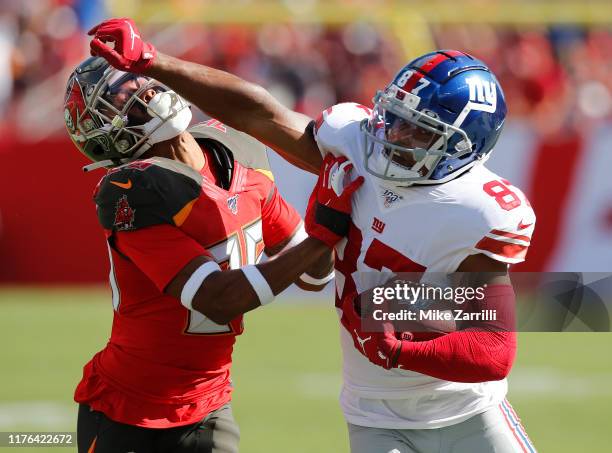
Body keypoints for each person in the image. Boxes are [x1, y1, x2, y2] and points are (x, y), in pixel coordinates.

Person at [87, 18, 538, 452]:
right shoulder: (356, 144)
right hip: (374, 415)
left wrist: (395, 329)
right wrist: (152, 61)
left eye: (418, 130)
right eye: (396, 116)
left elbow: (493, 347)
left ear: (461, 145)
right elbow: (254, 111)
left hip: (468, 410)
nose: (395, 134)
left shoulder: (481, 210)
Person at [63, 54, 362, 453]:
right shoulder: (133, 192)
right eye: (123, 92)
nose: (143, 88)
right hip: (128, 410)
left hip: (209, 406)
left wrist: (321, 221)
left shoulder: (236, 149)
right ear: (108, 133)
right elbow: (218, 299)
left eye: (139, 80)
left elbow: (313, 275)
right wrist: (325, 233)